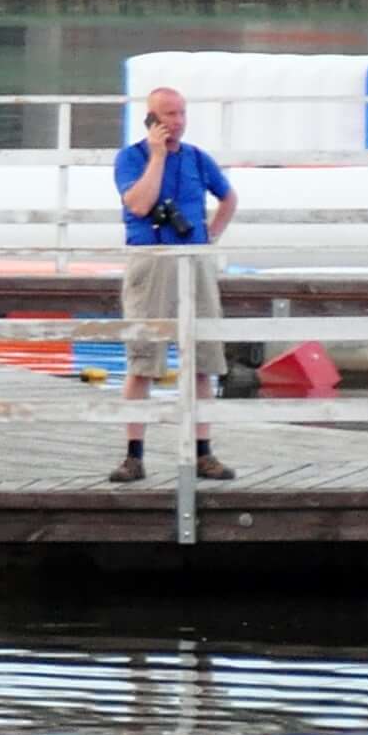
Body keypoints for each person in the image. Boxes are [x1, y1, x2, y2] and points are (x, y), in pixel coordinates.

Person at [114, 86, 239, 483]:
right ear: (150, 119)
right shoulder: (130, 158)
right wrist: (156, 156)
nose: (177, 121)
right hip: (151, 260)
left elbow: (229, 198)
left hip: (194, 260)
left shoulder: (199, 159)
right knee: (144, 359)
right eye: (168, 114)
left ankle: (203, 452)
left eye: (181, 113)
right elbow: (137, 204)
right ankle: (134, 454)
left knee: (204, 358)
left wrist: (208, 238)